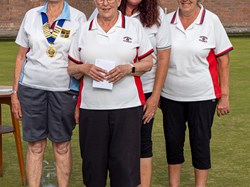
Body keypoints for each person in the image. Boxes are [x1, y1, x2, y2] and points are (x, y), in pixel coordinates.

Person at [67, 0, 153, 186]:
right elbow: (71, 68)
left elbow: (148, 63)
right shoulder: (83, 29)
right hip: (92, 109)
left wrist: (128, 69)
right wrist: (84, 68)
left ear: (119, 1)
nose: (106, 3)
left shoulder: (133, 26)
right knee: (93, 170)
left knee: (125, 170)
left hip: (127, 108)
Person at [11, 0, 86, 186]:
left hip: (63, 91)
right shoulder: (31, 15)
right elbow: (21, 57)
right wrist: (14, 93)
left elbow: (82, 60)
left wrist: (80, 101)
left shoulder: (78, 18)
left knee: (61, 146)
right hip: (31, 88)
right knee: (35, 145)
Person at [160, 0, 233, 186]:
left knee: (200, 144)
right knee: (173, 143)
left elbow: (223, 60)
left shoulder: (212, 21)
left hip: (203, 96)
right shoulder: (166, 21)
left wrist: (224, 96)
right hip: (170, 96)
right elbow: (158, 59)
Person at [119, 1, 171, 186]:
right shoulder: (107, 7)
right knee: (117, 144)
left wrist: (155, 96)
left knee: (142, 142)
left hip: (145, 90)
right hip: (115, 90)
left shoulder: (156, 14)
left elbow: (164, 56)